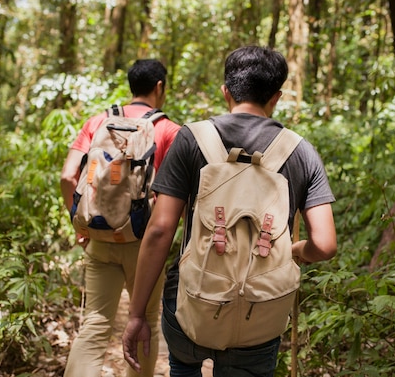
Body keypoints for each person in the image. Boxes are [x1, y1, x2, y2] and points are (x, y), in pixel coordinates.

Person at [122, 46, 338, 377]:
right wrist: (295, 250)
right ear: (276, 96)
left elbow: (160, 230)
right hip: (260, 312)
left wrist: (137, 315)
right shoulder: (301, 151)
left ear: (226, 92)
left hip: (192, 302)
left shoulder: (191, 139)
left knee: (185, 367)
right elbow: (324, 245)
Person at [60, 59, 181, 377]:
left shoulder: (97, 121)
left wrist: (80, 226)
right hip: (145, 242)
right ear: (159, 87)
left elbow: (68, 176)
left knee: (95, 324)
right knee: (146, 324)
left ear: (131, 86)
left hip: (99, 236)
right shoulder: (168, 130)